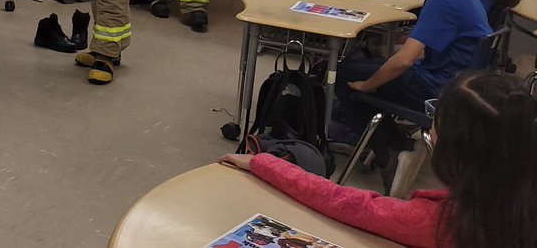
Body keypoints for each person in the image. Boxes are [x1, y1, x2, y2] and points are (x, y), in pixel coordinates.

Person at [221, 70, 537, 248]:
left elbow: (342, 201)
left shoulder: (442, 222)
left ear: (453, 147)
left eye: (434, 120)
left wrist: (264, 162)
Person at [331, 0, 491, 185]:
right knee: (364, 66)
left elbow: (405, 60)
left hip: (435, 92)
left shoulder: (443, 2)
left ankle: (391, 151)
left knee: (345, 75)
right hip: (456, 87)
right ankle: (391, 143)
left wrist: (368, 85)